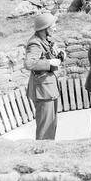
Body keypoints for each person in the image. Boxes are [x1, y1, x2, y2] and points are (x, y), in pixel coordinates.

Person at [24, 12, 65, 140]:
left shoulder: (46, 40)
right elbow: (29, 63)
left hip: (49, 89)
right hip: (43, 91)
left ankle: (48, 150)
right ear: (45, 27)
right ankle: (41, 153)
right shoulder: (35, 43)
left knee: (51, 125)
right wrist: (49, 62)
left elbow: (52, 53)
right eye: (53, 25)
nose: (55, 28)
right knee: (45, 128)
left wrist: (60, 54)